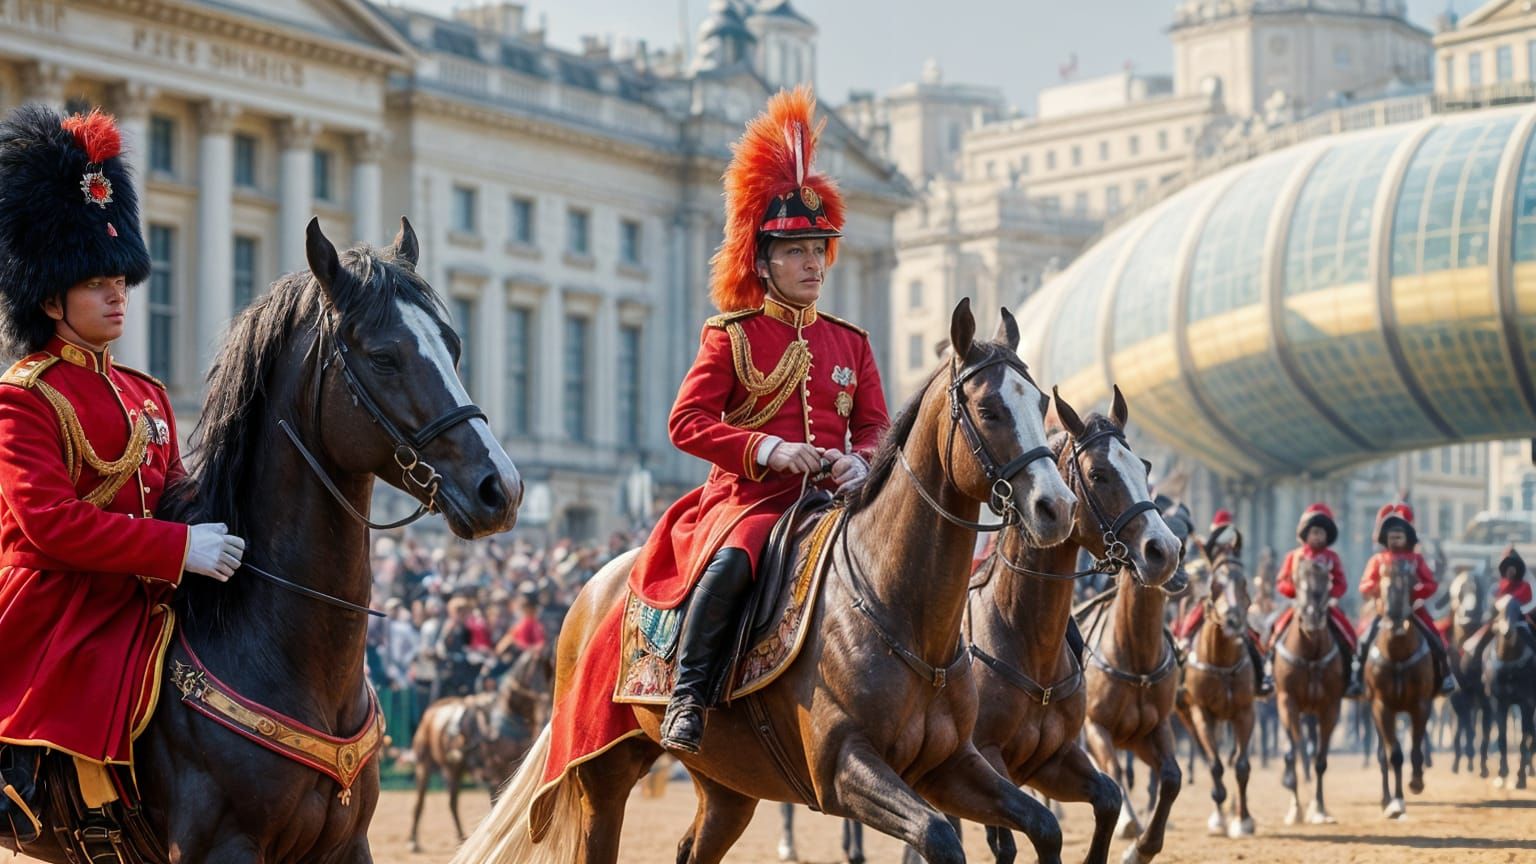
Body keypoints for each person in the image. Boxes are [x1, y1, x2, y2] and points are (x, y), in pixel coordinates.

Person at [0, 105, 245, 849]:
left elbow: (173, 491)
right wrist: (176, 549)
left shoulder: (146, 394)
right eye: (97, 284)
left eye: (121, 281)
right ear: (51, 298)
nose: (117, 296)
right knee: (93, 662)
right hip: (58, 598)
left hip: (143, 588)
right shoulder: (23, 395)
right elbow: (50, 524)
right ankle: (28, 788)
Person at [628, 87, 891, 753]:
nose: (814, 264)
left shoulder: (851, 343)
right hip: (751, 499)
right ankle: (689, 697)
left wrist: (859, 459)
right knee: (732, 565)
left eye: (819, 250)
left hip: (837, 498)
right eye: (797, 252)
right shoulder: (732, 334)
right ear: (764, 262)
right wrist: (770, 450)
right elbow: (686, 422)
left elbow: (875, 427)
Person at [1353, 503, 1455, 695]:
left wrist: (1415, 594)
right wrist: (1380, 591)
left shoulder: (1416, 560)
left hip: (1412, 610)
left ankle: (1445, 674)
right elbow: (1365, 585)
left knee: (1435, 638)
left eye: (1399, 537)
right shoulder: (1378, 560)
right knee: (1365, 639)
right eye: (1392, 537)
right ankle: (1356, 676)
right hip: (1384, 611)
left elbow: (1430, 583)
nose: (1395, 541)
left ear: (1407, 538)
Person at [1175, 510, 1272, 695]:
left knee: (1249, 636)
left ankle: (1261, 677)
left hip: (1233, 599)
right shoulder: (1207, 549)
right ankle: (1183, 657)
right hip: (1210, 598)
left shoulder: (1234, 552)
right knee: (1195, 616)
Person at [1269, 503, 1359, 696]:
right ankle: (1270, 671)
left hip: (1325, 606)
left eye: (1321, 533)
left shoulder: (1332, 558)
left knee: (1347, 634)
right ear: (1306, 534)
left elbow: (1341, 583)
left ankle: (1351, 674)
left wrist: (1331, 596)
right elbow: (1281, 582)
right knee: (1276, 631)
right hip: (1298, 606)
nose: (1317, 537)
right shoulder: (1294, 556)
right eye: (1314, 532)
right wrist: (1295, 593)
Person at [1462, 546, 1535, 658]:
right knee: (1477, 646)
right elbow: (1491, 605)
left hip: (1519, 623)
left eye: (1513, 568)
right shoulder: (1496, 587)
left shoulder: (1525, 586)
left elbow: (1526, 603)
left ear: (1517, 569)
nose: (1510, 571)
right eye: (1508, 568)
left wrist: (1509, 603)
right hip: (1497, 622)